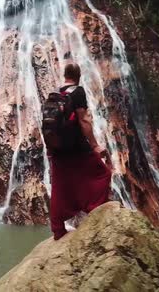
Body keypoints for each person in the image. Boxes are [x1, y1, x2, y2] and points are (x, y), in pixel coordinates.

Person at [48, 63, 112, 240]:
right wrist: (95, 146)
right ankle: (94, 209)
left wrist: (50, 149)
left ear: (64, 75)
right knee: (103, 174)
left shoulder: (56, 94)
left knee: (60, 187)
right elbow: (83, 120)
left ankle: (58, 229)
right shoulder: (78, 92)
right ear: (79, 75)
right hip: (77, 148)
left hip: (58, 150)